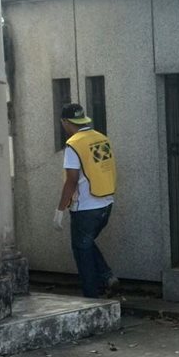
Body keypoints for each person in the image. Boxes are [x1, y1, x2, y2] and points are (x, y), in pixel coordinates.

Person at [53, 103, 119, 298]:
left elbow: (71, 180)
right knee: (86, 244)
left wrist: (60, 209)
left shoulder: (73, 144)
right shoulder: (100, 138)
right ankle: (107, 277)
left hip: (86, 208)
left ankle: (91, 297)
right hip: (106, 205)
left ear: (65, 122)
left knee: (82, 251)